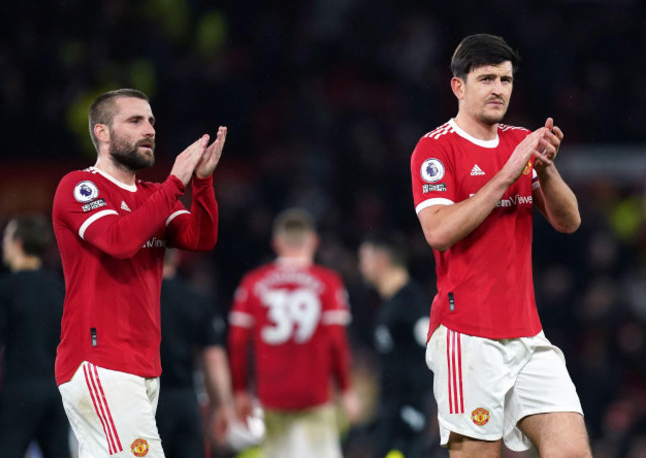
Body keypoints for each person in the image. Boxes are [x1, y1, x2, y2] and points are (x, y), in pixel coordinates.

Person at [410, 34, 591, 457]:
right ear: (459, 86)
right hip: (467, 337)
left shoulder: (520, 141)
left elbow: (570, 221)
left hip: (529, 337)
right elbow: (437, 231)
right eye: (487, 78)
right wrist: (508, 175)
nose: (498, 89)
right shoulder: (435, 148)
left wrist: (544, 169)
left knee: (573, 451)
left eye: (506, 80)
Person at [52, 88, 226, 457]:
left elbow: (200, 238)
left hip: (144, 363)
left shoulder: (152, 195)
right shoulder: (80, 187)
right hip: (100, 360)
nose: (149, 129)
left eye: (150, 121)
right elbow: (119, 240)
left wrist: (202, 182)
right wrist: (175, 183)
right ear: (102, 132)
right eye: (134, 121)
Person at [227, 208, 361, 458]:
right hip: (315, 394)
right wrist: (346, 389)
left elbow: (237, 342)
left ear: (276, 243)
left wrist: (240, 390)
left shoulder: (253, 283)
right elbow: (336, 341)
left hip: (271, 394)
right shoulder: (329, 282)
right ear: (314, 241)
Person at [0, 215, 70, 458]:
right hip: (57, 390)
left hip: (20, 389)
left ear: (17, 243)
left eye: (6, 236)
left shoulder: (5, 288)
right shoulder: (59, 286)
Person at [358, 232, 437, 458]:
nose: (362, 266)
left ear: (382, 260)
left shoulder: (410, 303)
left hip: (408, 415)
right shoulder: (389, 304)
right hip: (391, 413)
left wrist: (418, 407)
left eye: (365, 258)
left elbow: (429, 355)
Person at [157, 249, 234, 458]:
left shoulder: (133, 300)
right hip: (185, 401)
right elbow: (213, 358)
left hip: (144, 400)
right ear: (177, 256)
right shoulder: (195, 299)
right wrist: (222, 406)